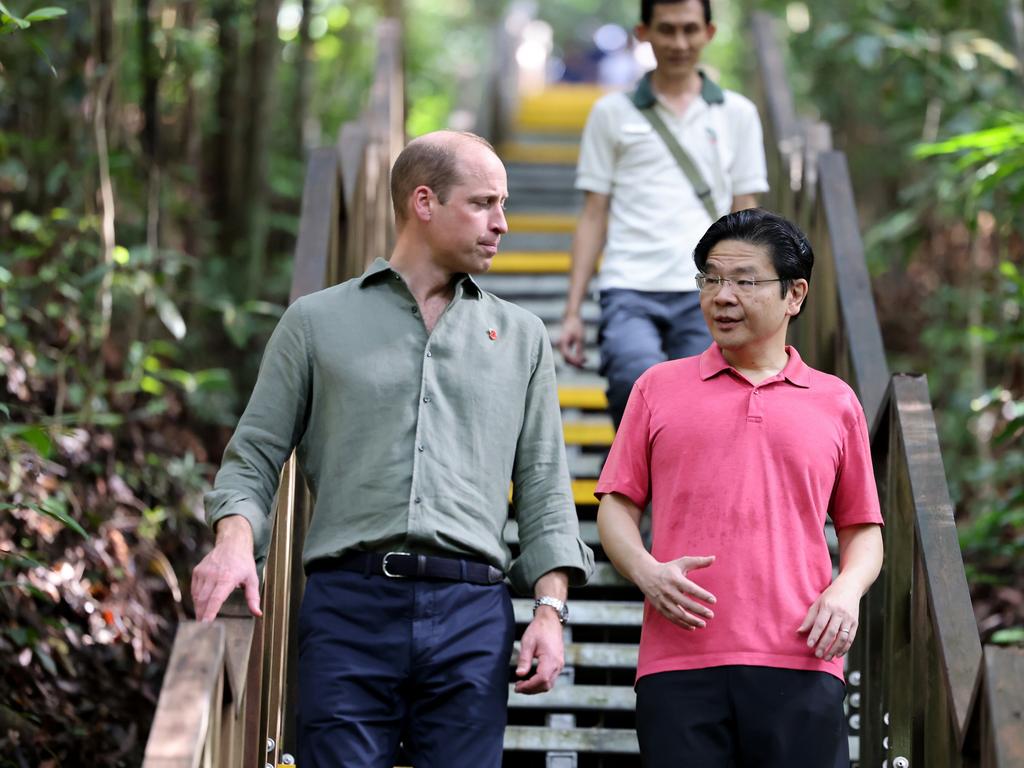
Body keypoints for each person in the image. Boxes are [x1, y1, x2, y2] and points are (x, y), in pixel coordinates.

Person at [190, 130, 595, 768]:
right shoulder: (315, 322)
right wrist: (235, 541)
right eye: (485, 203)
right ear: (424, 203)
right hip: (349, 607)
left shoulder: (522, 337)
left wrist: (549, 612)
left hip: (472, 612)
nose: (503, 223)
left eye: (504, 204)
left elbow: (544, 486)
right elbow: (254, 456)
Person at [595, 209, 884, 767]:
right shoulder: (657, 387)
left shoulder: (835, 401)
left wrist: (845, 592)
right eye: (710, 279)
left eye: (744, 281)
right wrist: (646, 572)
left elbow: (863, 529)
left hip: (802, 659)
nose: (721, 296)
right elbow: (617, 505)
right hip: (678, 665)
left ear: (794, 295)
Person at [560, 0, 769, 428]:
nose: (679, 42)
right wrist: (572, 310)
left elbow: (746, 213)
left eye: (690, 30)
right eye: (667, 29)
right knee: (630, 382)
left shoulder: (737, 113)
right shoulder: (611, 114)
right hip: (629, 285)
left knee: (701, 407)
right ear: (644, 33)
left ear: (708, 33)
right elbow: (593, 215)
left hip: (706, 290)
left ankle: (661, 492)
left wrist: (751, 294)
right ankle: (638, 486)